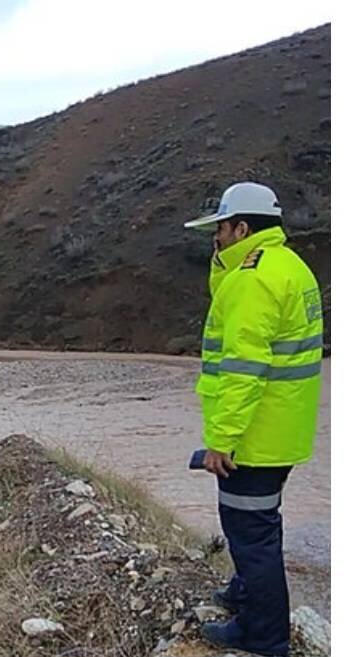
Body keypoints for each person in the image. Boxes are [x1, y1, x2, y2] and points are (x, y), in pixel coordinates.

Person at [184, 182, 324, 657]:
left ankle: (263, 637)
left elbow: (244, 370)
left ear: (242, 227)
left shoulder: (253, 279)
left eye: (220, 230)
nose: (216, 240)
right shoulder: (287, 266)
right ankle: (245, 595)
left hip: (255, 436)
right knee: (260, 527)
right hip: (281, 428)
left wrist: (222, 440)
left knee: (252, 536)